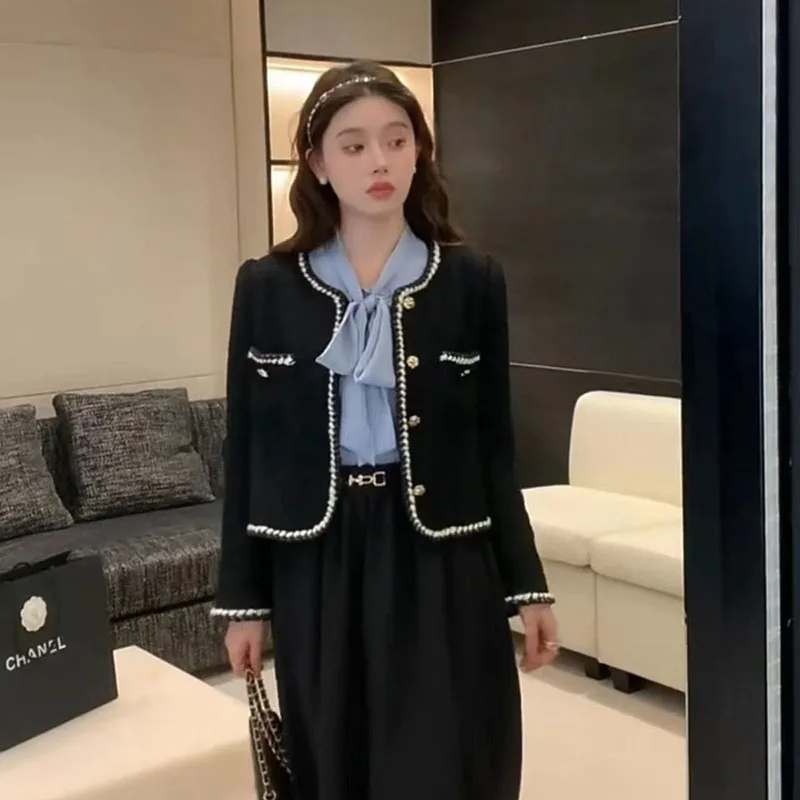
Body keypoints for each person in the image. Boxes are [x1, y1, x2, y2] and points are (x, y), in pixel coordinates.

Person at [211, 59, 559, 800]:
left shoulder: (471, 282)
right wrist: (243, 603)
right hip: (319, 558)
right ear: (317, 164)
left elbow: (495, 449)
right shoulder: (268, 287)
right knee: (334, 752)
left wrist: (527, 586)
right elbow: (247, 453)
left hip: (444, 552)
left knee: (449, 748)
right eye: (355, 145)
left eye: (397, 140)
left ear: (419, 152)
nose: (380, 161)